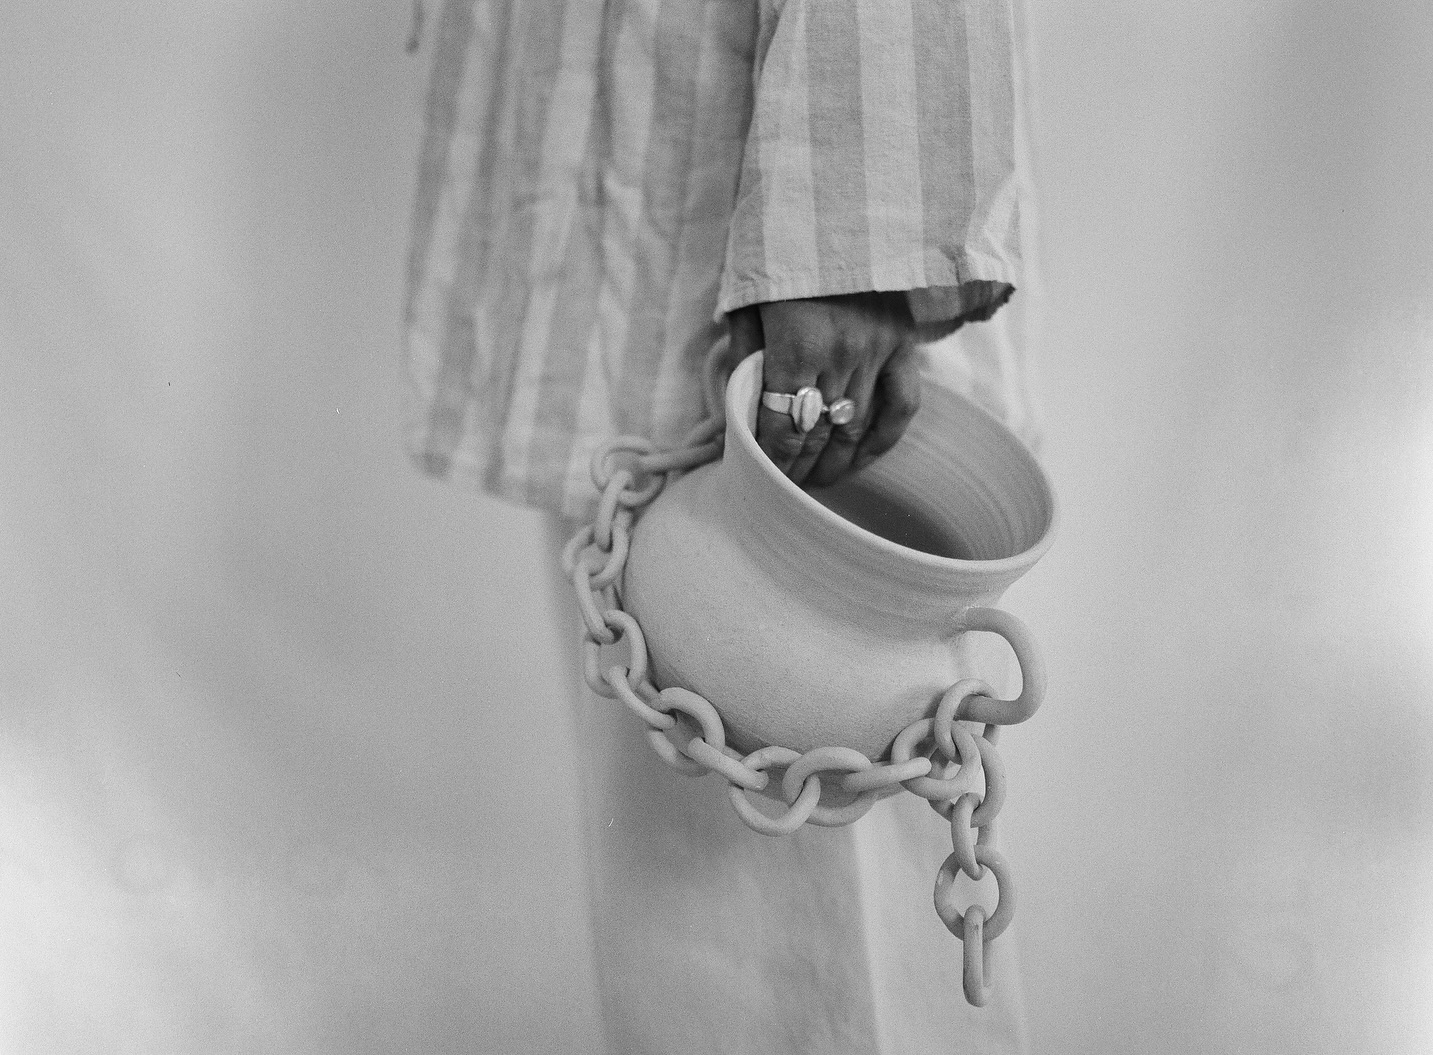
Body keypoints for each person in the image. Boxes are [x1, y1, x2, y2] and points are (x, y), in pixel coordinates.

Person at [403, 0, 1042, 1049]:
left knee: (798, 915)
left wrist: (858, 231)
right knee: (698, 914)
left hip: (761, 245)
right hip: (649, 198)